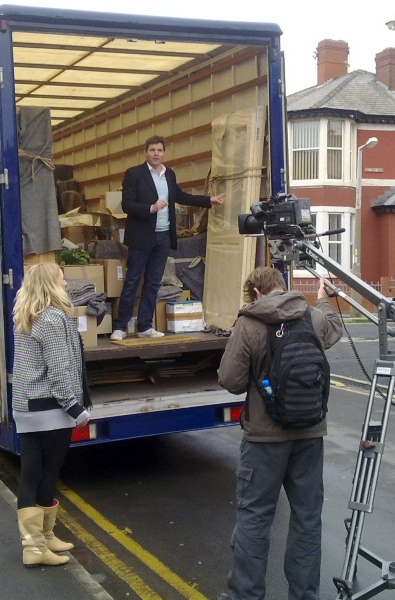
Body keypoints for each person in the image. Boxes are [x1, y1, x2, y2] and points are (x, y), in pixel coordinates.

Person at [217, 267, 343, 600]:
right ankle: (304, 595)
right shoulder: (311, 316)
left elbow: (230, 381)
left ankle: (245, 595)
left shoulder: (249, 323)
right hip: (309, 432)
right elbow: (333, 332)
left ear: (257, 292)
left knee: (255, 518)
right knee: (306, 518)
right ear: (281, 287)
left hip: (264, 438)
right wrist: (324, 300)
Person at [11, 262, 91, 567]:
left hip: (28, 406)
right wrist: (74, 407)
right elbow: (60, 369)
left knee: (31, 472)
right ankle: (35, 545)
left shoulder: (27, 316)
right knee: (47, 472)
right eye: (62, 278)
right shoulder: (54, 318)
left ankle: (42, 539)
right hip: (50, 408)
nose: (67, 283)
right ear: (49, 283)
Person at [111, 135, 225, 341]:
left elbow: (181, 196)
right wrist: (151, 208)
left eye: (160, 150)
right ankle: (120, 327)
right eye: (152, 150)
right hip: (141, 237)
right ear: (145, 152)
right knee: (132, 281)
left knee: (154, 282)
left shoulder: (169, 174)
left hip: (163, 236)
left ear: (164, 153)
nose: (156, 154)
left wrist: (209, 200)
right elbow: (127, 205)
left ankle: (145, 326)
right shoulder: (134, 174)